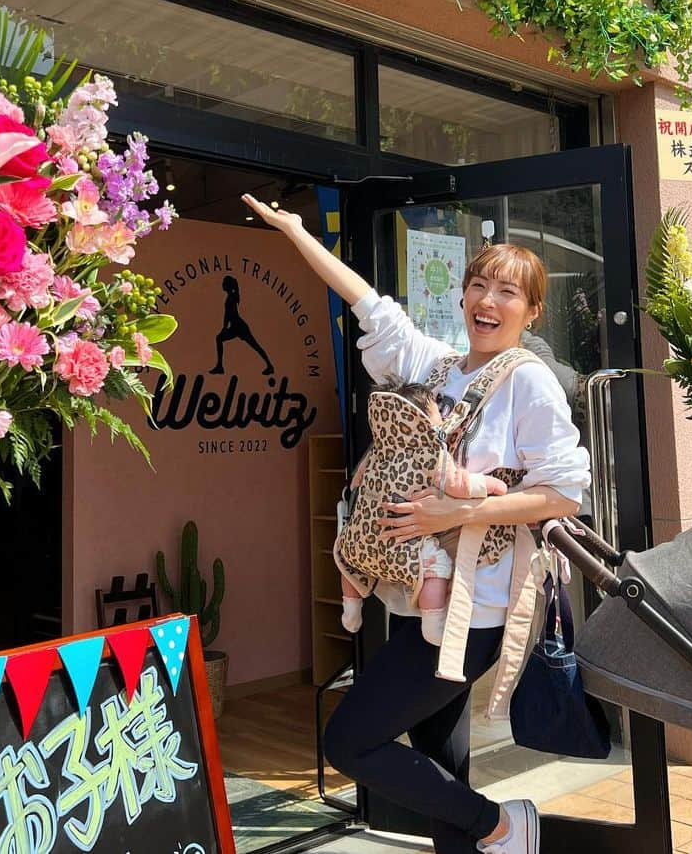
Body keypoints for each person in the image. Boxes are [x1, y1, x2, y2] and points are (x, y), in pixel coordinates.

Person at [241, 193, 590, 854]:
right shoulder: (439, 366)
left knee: (349, 739)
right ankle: (476, 837)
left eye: (508, 291)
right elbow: (369, 303)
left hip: (472, 607)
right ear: (462, 296)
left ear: (532, 310)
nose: (488, 299)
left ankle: (499, 824)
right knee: (437, 754)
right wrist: (293, 232)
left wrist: (461, 509)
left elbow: (565, 492)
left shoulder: (529, 383)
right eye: (479, 284)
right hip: (414, 594)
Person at [337, 379, 509, 645]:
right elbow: (459, 483)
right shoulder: (429, 453)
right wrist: (493, 485)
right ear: (420, 420)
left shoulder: (379, 451)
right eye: (435, 412)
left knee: (346, 558)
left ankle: (351, 609)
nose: (441, 417)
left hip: (363, 539)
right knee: (435, 568)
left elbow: (355, 483)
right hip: (403, 547)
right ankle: (432, 625)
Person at [209, 274, 274, 376]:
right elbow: (227, 316)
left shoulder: (231, 297)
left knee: (255, 345)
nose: (222, 285)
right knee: (219, 339)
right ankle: (220, 366)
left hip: (239, 326)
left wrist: (225, 327)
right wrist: (225, 327)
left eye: (224, 283)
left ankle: (270, 366)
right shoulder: (230, 297)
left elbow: (228, 315)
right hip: (235, 327)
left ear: (227, 285)